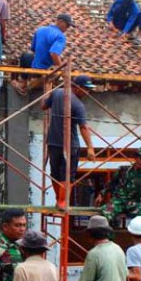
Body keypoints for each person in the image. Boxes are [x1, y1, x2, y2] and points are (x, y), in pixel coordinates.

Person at [41, 75, 97, 209]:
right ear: (77, 87)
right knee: (67, 175)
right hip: (70, 145)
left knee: (55, 173)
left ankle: (59, 200)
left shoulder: (57, 93)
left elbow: (43, 106)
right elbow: (83, 127)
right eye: (86, 89)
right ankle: (62, 202)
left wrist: (47, 90)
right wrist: (90, 148)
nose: (87, 93)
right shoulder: (78, 104)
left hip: (53, 142)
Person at [12, 13, 75, 95]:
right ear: (60, 21)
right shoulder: (60, 36)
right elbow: (54, 53)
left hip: (34, 67)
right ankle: (30, 83)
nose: (67, 28)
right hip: (46, 70)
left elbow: (33, 49)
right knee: (60, 65)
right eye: (67, 25)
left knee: (26, 56)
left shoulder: (40, 30)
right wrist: (61, 69)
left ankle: (23, 83)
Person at [96, 147, 141, 227]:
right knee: (103, 216)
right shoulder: (123, 170)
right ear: (136, 158)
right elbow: (111, 184)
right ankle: (105, 237)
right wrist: (101, 194)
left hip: (133, 204)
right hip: (118, 202)